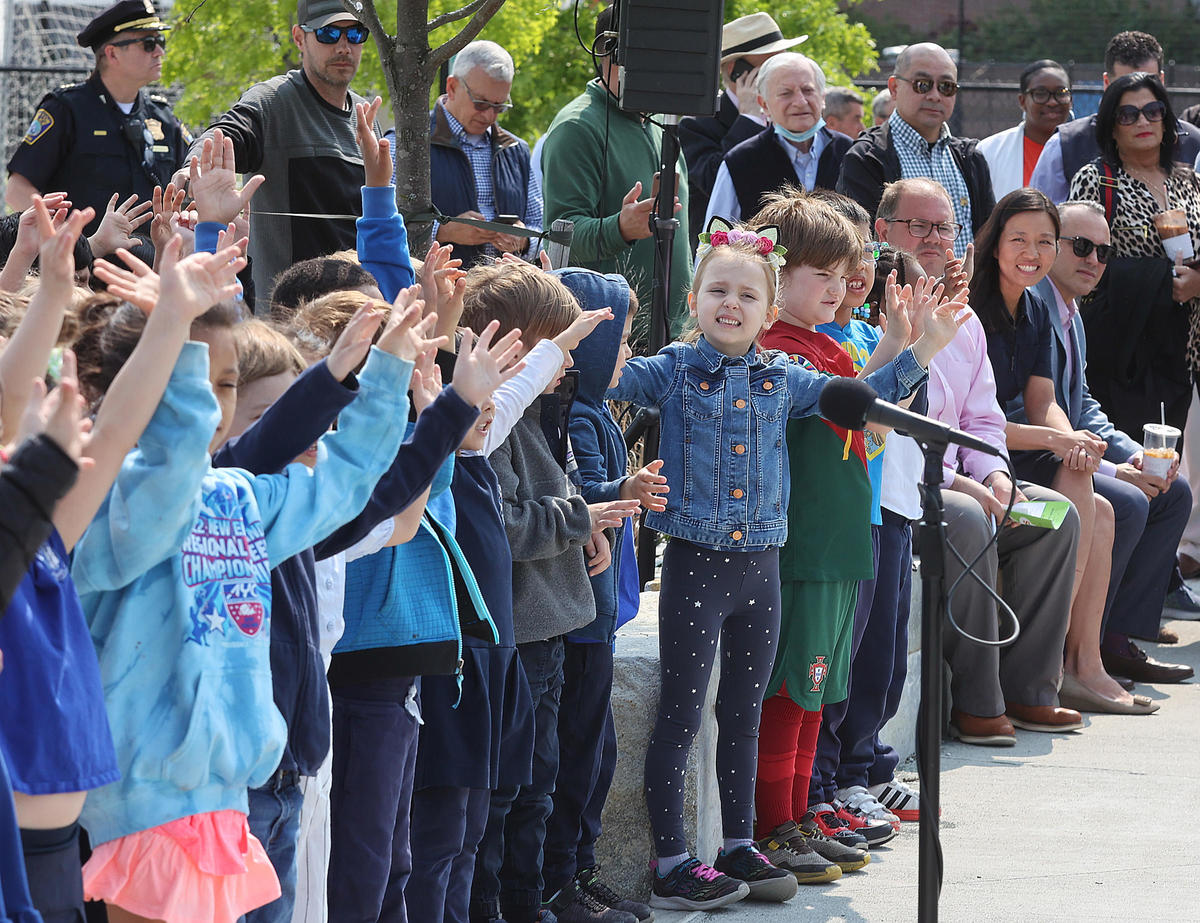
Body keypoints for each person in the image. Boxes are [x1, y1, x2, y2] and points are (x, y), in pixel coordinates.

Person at [609, 222, 955, 911]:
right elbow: (608, 375)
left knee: (743, 712)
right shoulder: (673, 367)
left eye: (745, 293)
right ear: (694, 297)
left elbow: (862, 401)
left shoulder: (785, 377)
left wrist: (923, 348)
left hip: (761, 567)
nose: (729, 304)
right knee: (682, 714)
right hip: (697, 566)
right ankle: (673, 860)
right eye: (717, 290)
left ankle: (740, 841)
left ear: (770, 312)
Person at [468, 263, 640, 923]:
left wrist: (580, 524)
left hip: (550, 626)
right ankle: (501, 902)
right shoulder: (494, 424)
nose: (565, 365)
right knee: (511, 784)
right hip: (519, 629)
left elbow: (554, 491)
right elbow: (505, 522)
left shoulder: (541, 416)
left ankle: (531, 895)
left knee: (540, 778)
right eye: (556, 349)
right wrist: (579, 521)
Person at [1018, 200, 1193, 698]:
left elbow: (1083, 403)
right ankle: (1082, 650)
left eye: (1104, 251)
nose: (1094, 260)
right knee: (1132, 500)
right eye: (1080, 246)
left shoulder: (1071, 312)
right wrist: (1119, 470)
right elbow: (1026, 411)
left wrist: (1132, 452)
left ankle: (1114, 637)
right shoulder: (1034, 306)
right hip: (1037, 456)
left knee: (1173, 491)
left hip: (1078, 451)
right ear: (1049, 248)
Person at [970, 189, 1129, 724]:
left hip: (1017, 446)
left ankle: (1079, 662)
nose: (1032, 252)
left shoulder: (1036, 305)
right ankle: (1054, 668)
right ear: (995, 245)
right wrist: (1059, 441)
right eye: (1019, 239)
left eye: (1044, 241)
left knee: (1099, 507)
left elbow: (1045, 402)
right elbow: (978, 424)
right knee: (1092, 502)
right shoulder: (972, 305)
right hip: (975, 457)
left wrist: (1072, 440)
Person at [542, 270, 658, 923]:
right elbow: (584, 493)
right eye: (620, 342)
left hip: (600, 622)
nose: (629, 356)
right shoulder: (575, 418)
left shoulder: (593, 412)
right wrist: (622, 493)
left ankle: (580, 869)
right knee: (575, 752)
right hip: (579, 623)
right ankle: (560, 880)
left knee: (596, 751)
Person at [184, 0, 377, 303]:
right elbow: (225, 134)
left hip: (359, 312)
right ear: (300, 38)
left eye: (355, 34)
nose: (343, 47)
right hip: (289, 319)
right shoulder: (272, 101)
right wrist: (191, 170)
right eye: (328, 34)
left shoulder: (367, 117)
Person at [541, 5, 692, 341]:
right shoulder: (577, 127)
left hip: (674, 334)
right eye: (650, 52)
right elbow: (561, 237)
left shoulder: (660, 125)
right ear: (609, 52)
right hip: (610, 337)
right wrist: (620, 228)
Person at [1068, 74, 1200, 439]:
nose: (1142, 121)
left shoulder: (1190, 181)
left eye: (1152, 111)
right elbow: (1074, 261)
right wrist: (1163, 281)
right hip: (1121, 351)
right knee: (1128, 466)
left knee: (1168, 467)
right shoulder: (1098, 181)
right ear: (1112, 127)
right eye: (1128, 115)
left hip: (1183, 353)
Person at [5, 0, 186, 241]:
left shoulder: (162, 117)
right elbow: (18, 191)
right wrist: (68, 247)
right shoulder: (66, 109)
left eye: (160, 42)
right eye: (148, 44)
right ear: (112, 53)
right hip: (84, 271)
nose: (160, 51)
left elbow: (190, 181)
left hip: (151, 269)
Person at [837, 42, 995, 257]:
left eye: (946, 86)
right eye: (922, 84)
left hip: (967, 291)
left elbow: (988, 242)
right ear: (894, 88)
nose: (934, 95)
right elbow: (860, 248)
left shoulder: (971, 159)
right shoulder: (866, 159)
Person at [678, 12, 808, 239]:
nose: (780, 73)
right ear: (735, 71)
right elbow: (712, 179)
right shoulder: (697, 124)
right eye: (768, 66)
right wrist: (749, 119)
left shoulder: (789, 116)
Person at [1030, 31, 1200, 204]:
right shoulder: (1067, 146)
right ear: (1106, 83)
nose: (1143, 121)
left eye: (1149, 83)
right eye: (1126, 86)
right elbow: (1040, 220)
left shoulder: (1194, 144)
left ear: (1162, 81)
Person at [419, 40, 542, 267]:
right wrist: (444, 231)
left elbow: (540, 228)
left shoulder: (516, 150)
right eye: (481, 103)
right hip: (436, 293)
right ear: (452, 87)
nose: (489, 116)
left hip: (504, 294)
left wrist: (523, 240)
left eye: (499, 106)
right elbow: (387, 224)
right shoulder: (412, 144)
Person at [704, 54, 852, 226]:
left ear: (823, 98)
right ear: (764, 105)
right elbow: (715, 238)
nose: (800, 101)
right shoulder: (740, 161)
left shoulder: (849, 153)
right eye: (786, 93)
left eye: (808, 90)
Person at [978, 60, 1073, 199]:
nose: (1052, 102)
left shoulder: (1087, 149)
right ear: (1022, 101)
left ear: (1071, 100)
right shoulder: (989, 151)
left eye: (1061, 92)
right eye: (1040, 93)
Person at [874, 177, 972, 287]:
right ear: (884, 233)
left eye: (944, 228)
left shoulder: (962, 303)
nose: (934, 238)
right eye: (919, 226)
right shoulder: (857, 300)